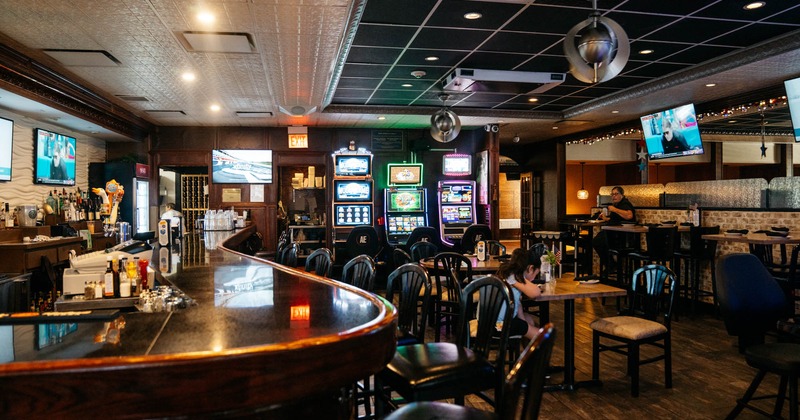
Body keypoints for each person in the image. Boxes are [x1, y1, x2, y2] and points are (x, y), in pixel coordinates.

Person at [495, 247, 543, 341]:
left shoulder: (507, 274)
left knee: (528, 319)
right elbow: (536, 293)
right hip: (499, 325)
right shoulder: (514, 278)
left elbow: (517, 304)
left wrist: (524, 323)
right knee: (543, 338)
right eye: (535, 274)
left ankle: (527, 353)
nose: (533, 279)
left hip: (488, 321)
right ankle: (534, 352)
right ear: (530, 268)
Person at [592, 186, 636, 270]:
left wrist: (614, 209)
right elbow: (617, 218)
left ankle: (611, 265)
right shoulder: (617, 205)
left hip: (622, 236)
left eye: (616, 194)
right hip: (613, 232)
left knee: (597, 241)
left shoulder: (625, 203)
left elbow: (629, 216)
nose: (614, 196)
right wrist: (605, 218)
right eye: (612, 194)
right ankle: (610, 265)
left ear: (622, 195)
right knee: (597, 241)